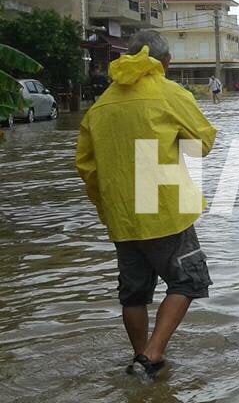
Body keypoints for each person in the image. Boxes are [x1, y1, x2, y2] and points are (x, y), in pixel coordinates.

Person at [75, 30, 217, 379]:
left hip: (122, 217)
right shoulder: (169, 93)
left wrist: (108, 206)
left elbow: (86, 166)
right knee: (188, 282)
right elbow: (202, 144)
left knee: (133, 294)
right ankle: (153, 355)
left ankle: (140, 357)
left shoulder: (102, 103)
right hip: (167, 211)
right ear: (165, 63)